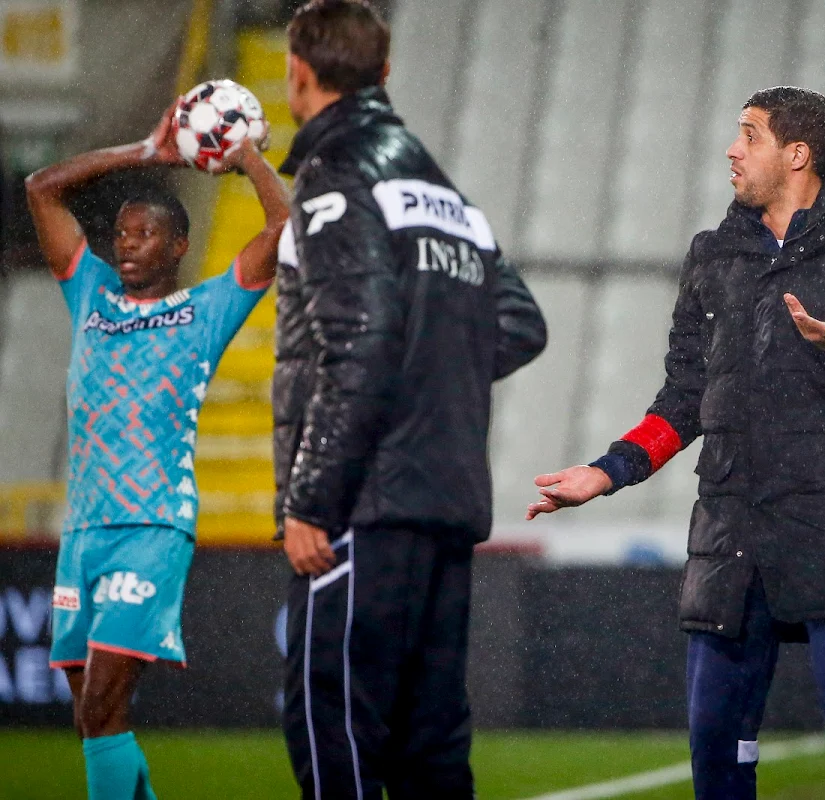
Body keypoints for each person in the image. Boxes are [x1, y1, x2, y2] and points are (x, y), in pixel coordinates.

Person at [526, 86, 825, 800]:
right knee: (715, 732)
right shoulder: (713, 255)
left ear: (797, 154)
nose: (732, 149)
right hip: (731, 534)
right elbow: (684, 397)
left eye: (748, 135)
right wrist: (607, 472)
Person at [273, 2, 547, 798]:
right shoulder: (441, 190)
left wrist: (312, 501)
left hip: (363, 505)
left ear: (298, 74)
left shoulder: (336, 175)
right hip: (445, 501)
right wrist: (431, 367)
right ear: (384, 74)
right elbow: (520, 323)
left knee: (337, 728)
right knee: (430, 744)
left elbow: (360, 343)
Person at [25, 103, 286, 798]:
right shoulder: (91, 295)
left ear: (178, 247)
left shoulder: (207, 310)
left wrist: (246, 160)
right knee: (94, 720)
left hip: (151, 528)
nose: (127, 243)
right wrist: (144, 148)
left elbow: (283, 228)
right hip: (82, 533)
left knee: (106, 703)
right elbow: (41, 188)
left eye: (145, 234)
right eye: (121, 233)